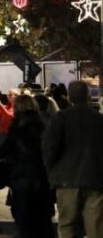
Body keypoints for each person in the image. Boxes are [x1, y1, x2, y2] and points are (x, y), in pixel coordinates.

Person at [43, 80, 103, 238]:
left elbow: (50, 149)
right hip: (94, 180)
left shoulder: (61, 118)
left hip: (66, 180)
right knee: (96, 228)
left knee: (67, 226)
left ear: (69, 97)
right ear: (88, 96)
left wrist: (52, 172)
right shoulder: (98, 119)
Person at [0, 94, 53, 238]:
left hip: (21, 179)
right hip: (43, 177)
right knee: (43, 219)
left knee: (24, 219)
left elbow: (2, 151)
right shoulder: (45, 125)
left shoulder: (16, 128)